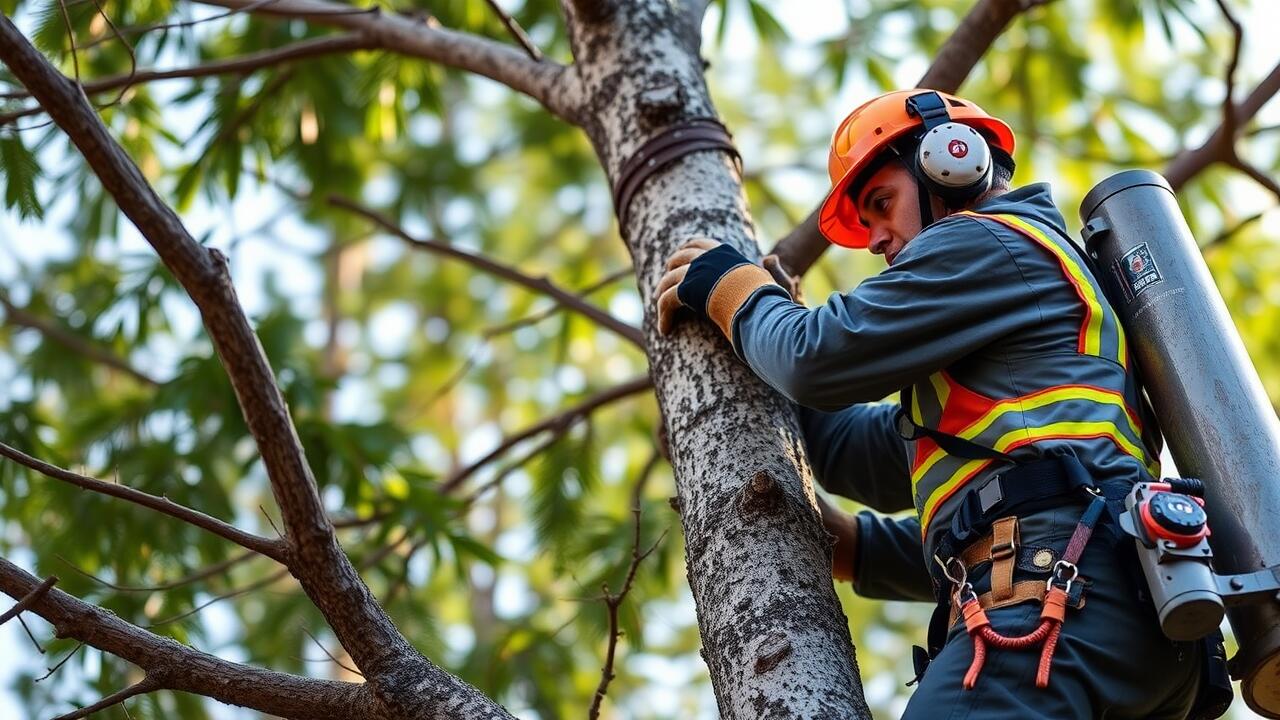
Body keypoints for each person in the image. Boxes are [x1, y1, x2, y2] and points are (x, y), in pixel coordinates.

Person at [655, 89, 1219, 718]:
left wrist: (736, 292)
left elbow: (817, 359)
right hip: (1122, 619)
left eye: (881, 204)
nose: (875, 240)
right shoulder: (1010, 358)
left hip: (1058, 598)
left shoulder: (990, 243)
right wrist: (858, 546)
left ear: (950, 161)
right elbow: (860, 453)